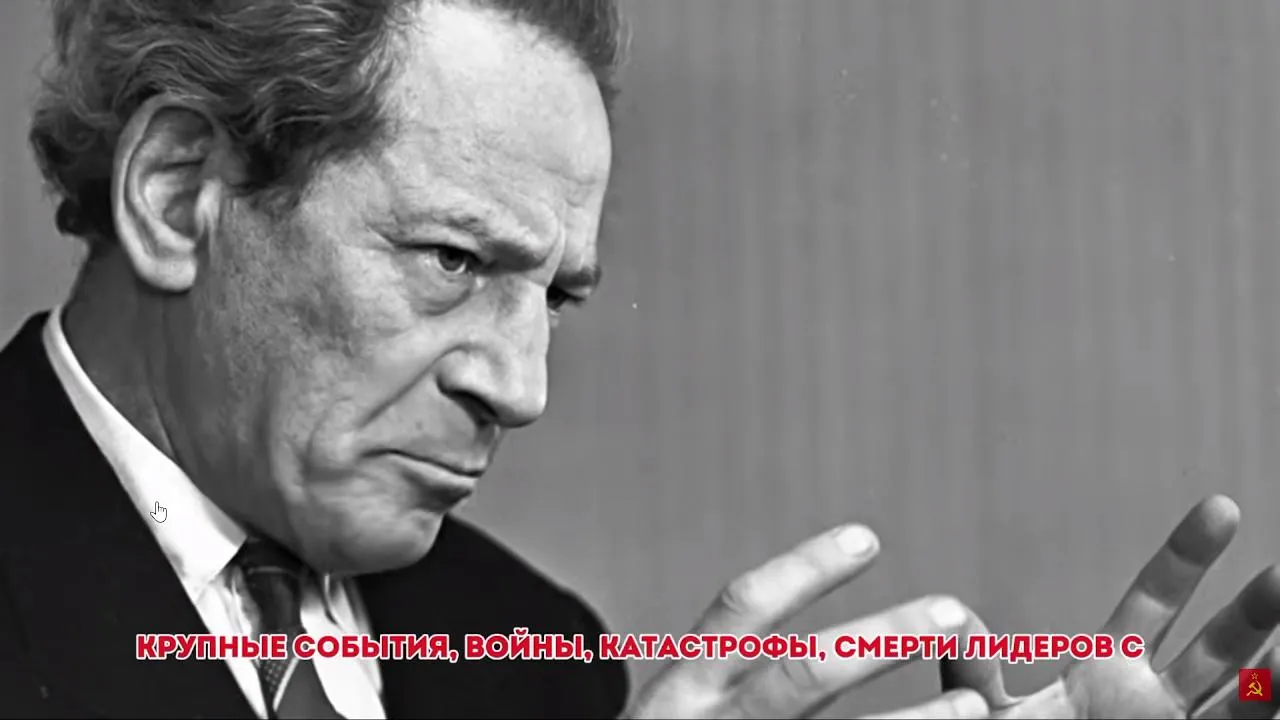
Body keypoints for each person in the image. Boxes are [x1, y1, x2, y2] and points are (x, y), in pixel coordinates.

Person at [0, 1, 1277, 718]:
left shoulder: (538, 653)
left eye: (556, 297)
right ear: (177, 193)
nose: (521, 390)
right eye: (453, 260)